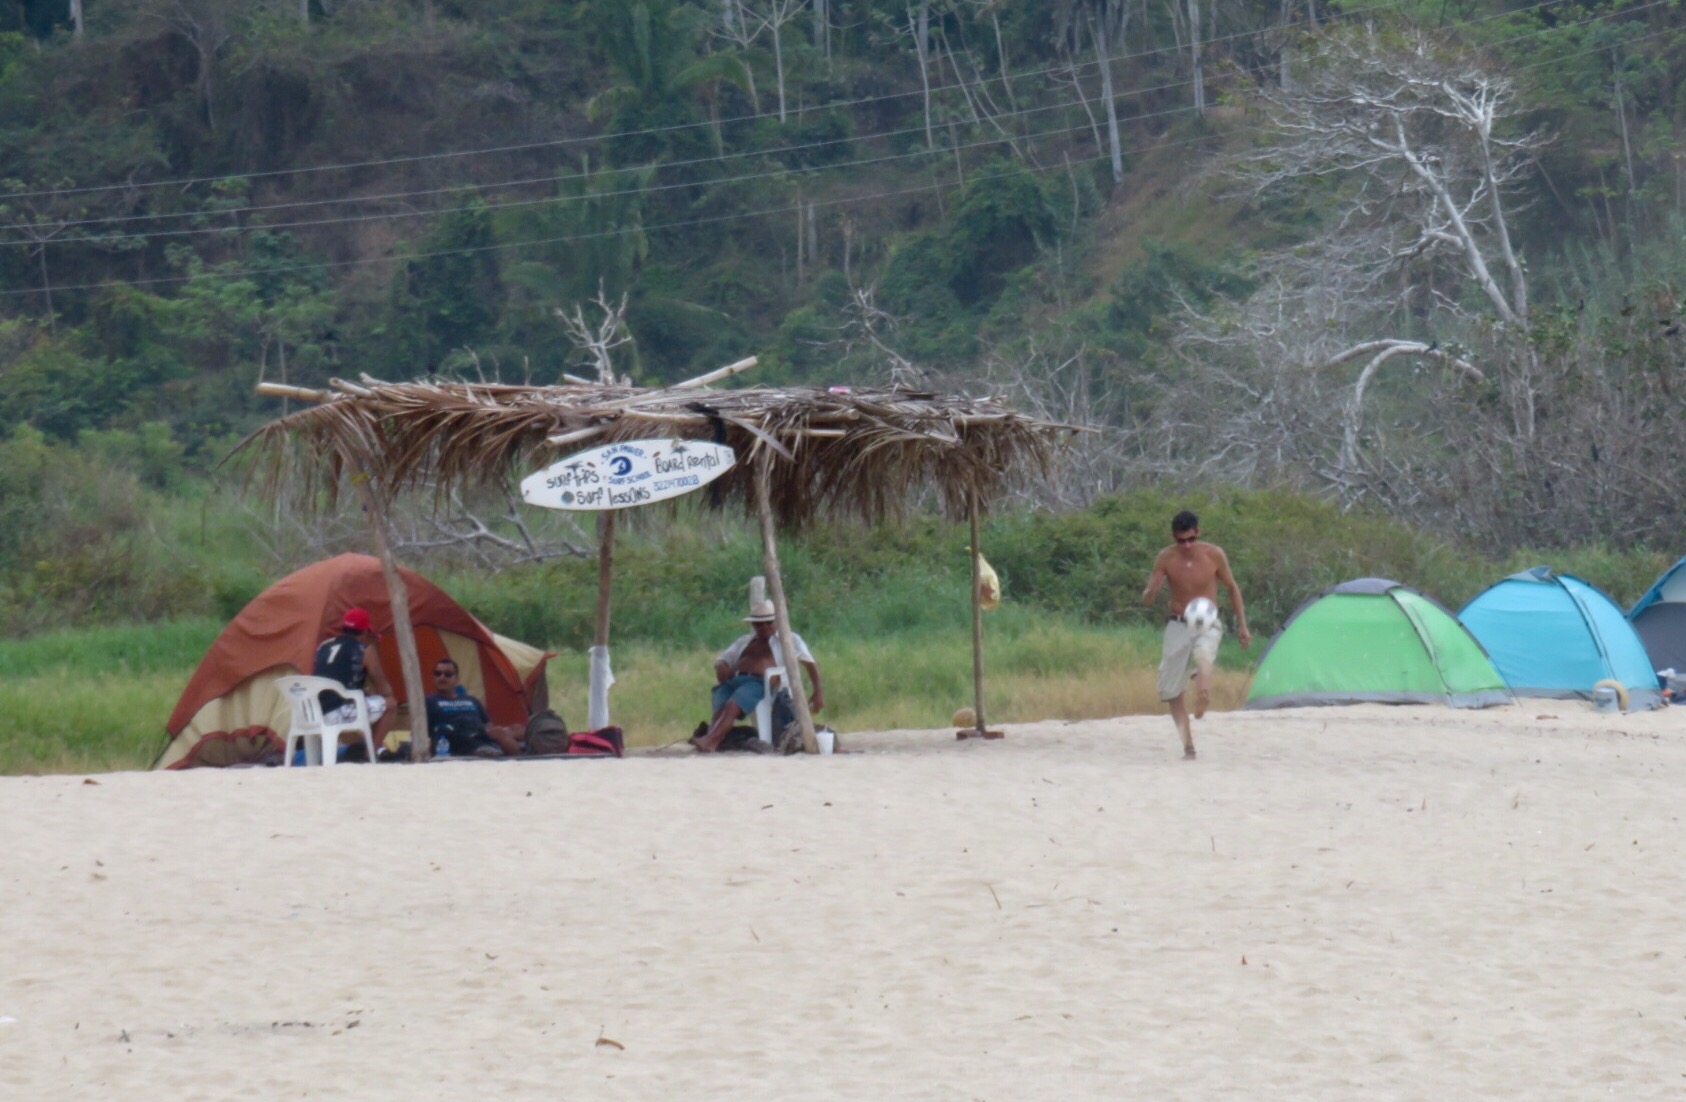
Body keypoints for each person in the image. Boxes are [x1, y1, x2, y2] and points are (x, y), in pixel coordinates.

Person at [1141, 510, 1252, 760]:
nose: (1187, 545)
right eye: (1181, 541)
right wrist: (1151, 592)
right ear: (1174, 537)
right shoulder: (1166, 557)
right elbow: (1147, 598)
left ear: (1198, 532)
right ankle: (1188, 746)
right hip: (1178, 623)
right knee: (1170, 690)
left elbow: (1232, 588)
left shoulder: (1213, 554)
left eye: (1191, 539)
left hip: (1207, 620)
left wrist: (1242, 625)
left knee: (1204, 653)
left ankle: (1203, 691)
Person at [692, 578, 824, 753]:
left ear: (776, 621)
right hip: (733, 680)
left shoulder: (789, 639)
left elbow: (809, 663)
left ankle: (709, 741)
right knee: (720, 707)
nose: (764, 627)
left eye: (769, 622)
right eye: (759, 624)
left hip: (758, 682)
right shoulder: (745, 641)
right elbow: (724, 658)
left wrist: (818, 692)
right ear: (753, 624)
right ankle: (713, 739)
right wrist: (721, 666)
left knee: (732, 706)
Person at [311, 607, 396, 756]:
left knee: (364, 703)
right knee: (390, 704)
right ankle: (371, 753)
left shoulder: (323, 647)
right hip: (338, 713)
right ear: (364, 632)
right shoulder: (364, 650)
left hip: (314, 712)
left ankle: (367, 746)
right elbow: (384, 689)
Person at [424, 657, 525, 758]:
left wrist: (500, 731)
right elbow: (425, 732)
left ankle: (523, 749)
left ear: (457, 679)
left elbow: (488, 724)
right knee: (500, 733)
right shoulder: (429, 701)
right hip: (459, 739)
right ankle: (521, 756)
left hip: (481, 734)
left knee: (518, 728)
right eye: (438, 673)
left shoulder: (471, 700)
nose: (442, 677)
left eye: (448, 674)